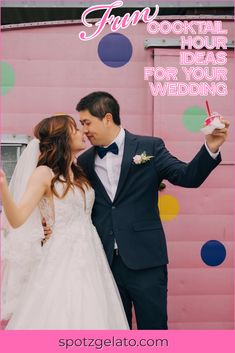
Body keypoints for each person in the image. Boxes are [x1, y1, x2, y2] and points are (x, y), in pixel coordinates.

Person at [74, 91, 229, 329]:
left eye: (86, 122)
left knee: (154, 329)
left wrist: (211, 148)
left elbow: (187, 176)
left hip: (146, 260)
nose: (84, 130)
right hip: (103, 264)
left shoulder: (150, 147)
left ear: (106, 118)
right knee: (114, 331)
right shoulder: (84, 161)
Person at [0, 114, 129, 330]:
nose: (82, 132)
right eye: (75, 129)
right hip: (61, 256)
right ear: (62, 138)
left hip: (91, 255)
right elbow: (17, 219)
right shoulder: (43, 173)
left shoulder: (80, 172)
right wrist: (3, 187)